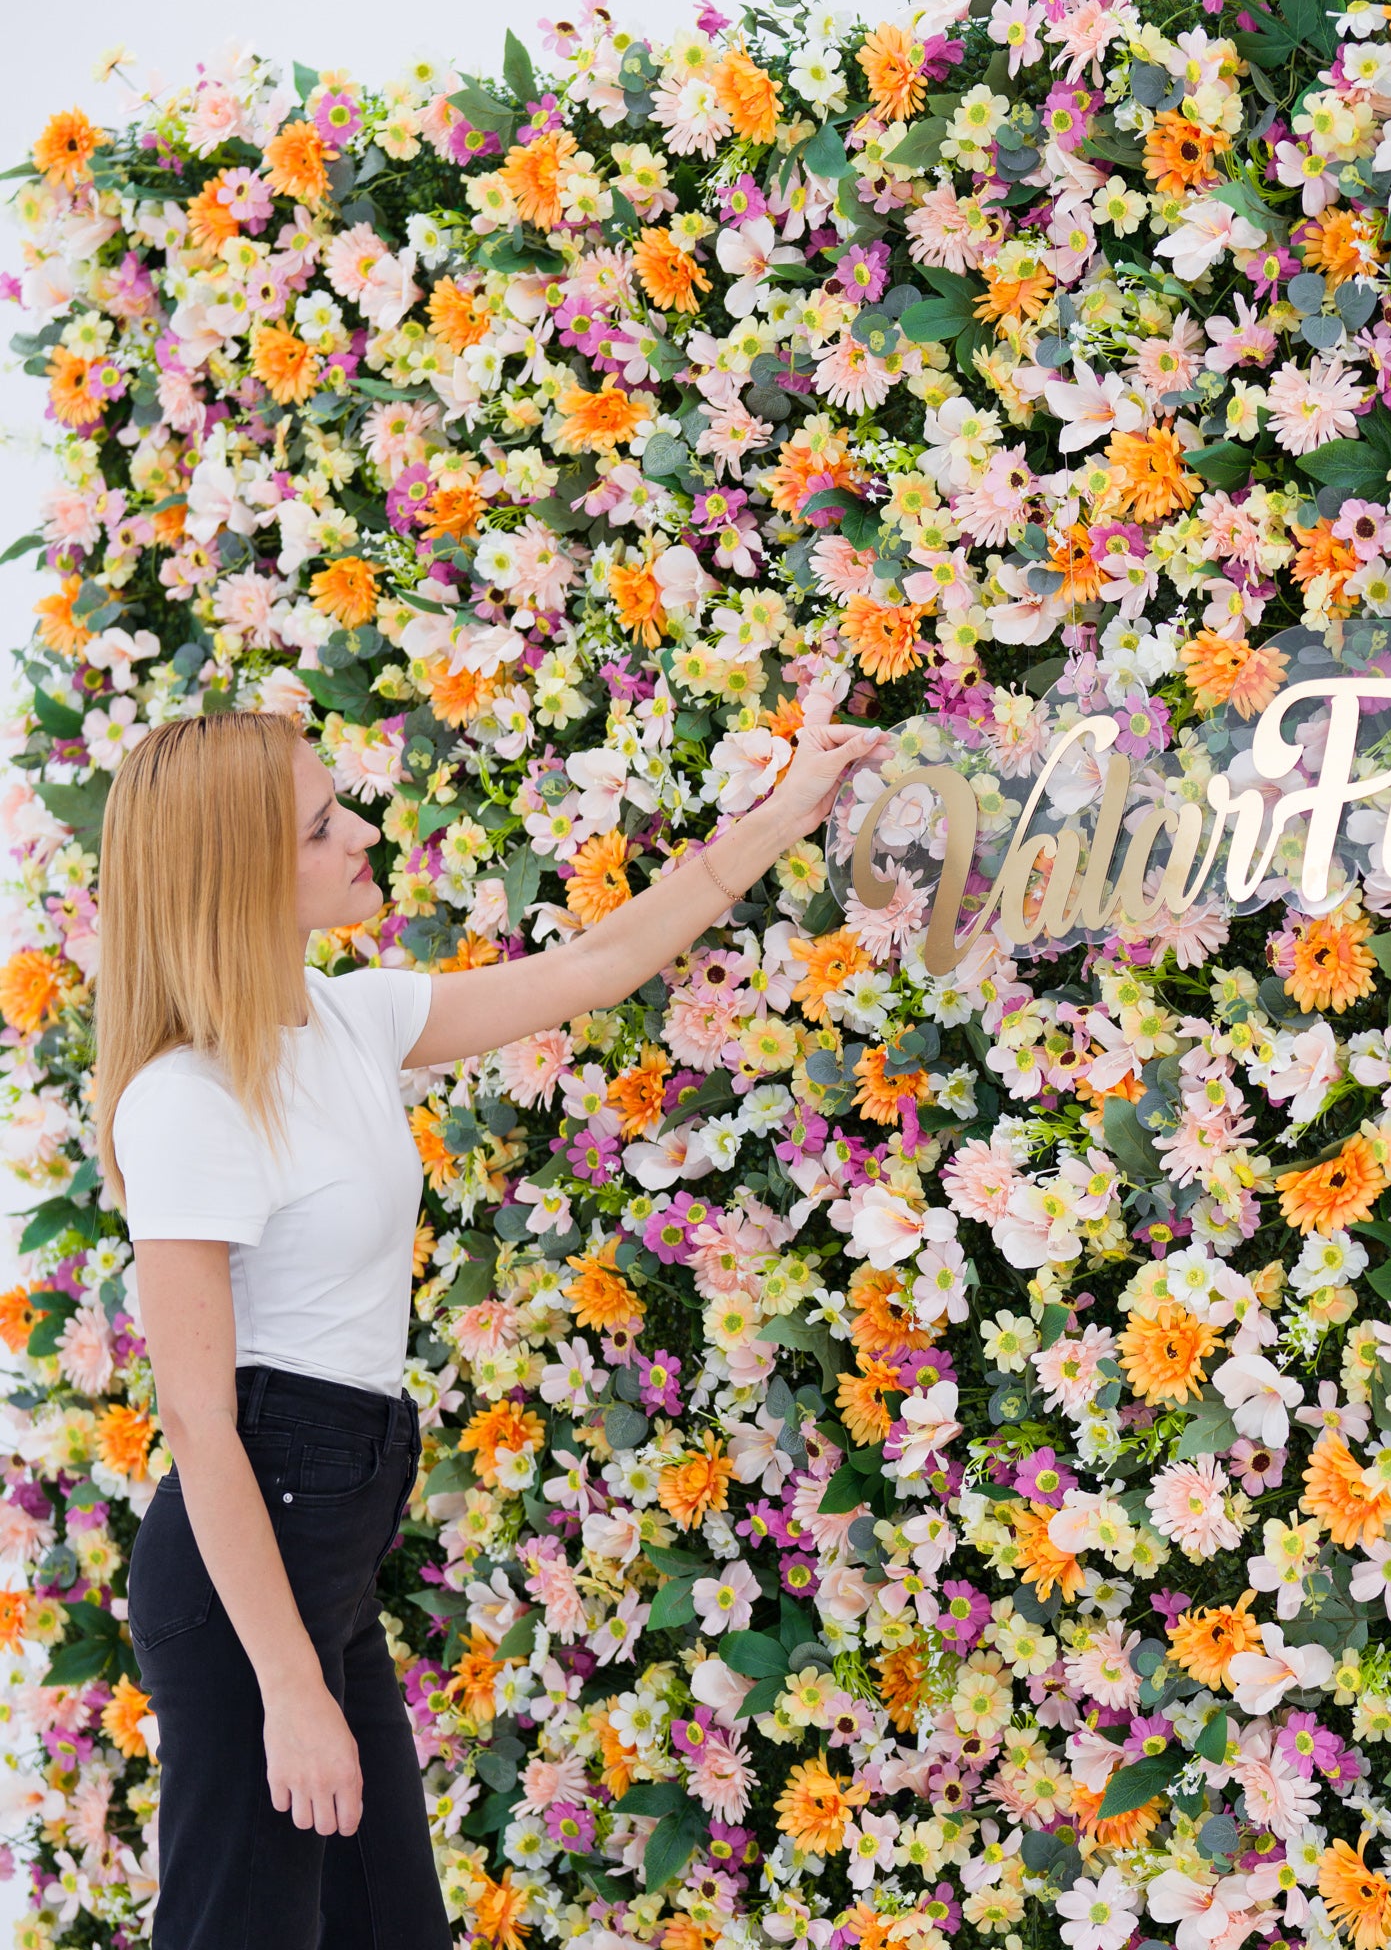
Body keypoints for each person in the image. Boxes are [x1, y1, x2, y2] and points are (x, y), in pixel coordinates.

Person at [96, 708, 880, 1948]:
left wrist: (784, 814)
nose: (361, 831)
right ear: (240, 870)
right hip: (255, 1558)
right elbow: (197, 1419)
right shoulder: (185, 1100)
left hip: (330, 1534)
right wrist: (288, 1685)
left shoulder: (349, 1021)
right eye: (319, 825)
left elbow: (594, 961)